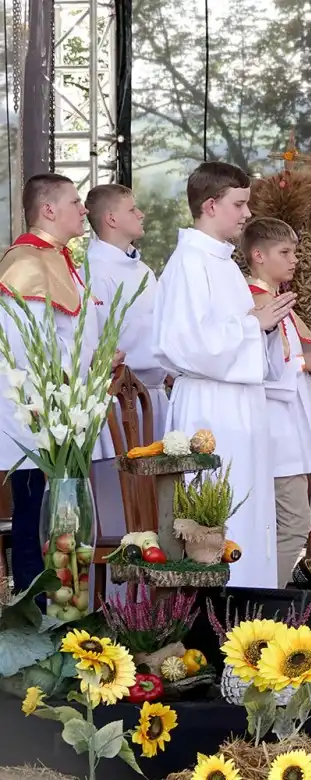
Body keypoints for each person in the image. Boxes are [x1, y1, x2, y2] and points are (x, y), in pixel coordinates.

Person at [152, 162, 296, 589]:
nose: (247, 213)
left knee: (248, 512)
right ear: (211, 205)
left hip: (238, 404)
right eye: (239, 204)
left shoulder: (223, 264)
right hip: (210, 408)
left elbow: (242, 332)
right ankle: (220, 627)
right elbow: (185, 344)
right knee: (219, 512)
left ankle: (250, 617)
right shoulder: (188, 264)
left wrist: (264, 326)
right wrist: (256, 324)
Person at [0, 174, 121, 592]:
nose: (83, 209)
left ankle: (62, 606)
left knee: (59, 515)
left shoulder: (56, 257)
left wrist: (100, 357)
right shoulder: (26, 262)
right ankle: (35, 610)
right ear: (48, 210)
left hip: (67, 408)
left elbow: (69, 333)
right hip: (40, 412)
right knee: (35, 511)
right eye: (74, 201)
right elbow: (26, 347)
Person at [242, 217, 311, 586]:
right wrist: (305, 362)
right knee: (292, 525)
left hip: (287, 429)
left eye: (295, 252)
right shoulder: (256, 303)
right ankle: (268, 604)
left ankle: (266, 601)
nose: (294, 260)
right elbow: (255, 369)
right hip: (274, 431)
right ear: (257, 255)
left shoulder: (275, 301)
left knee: (284, 524)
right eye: (284, 252)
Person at [84, 184, 169, 570]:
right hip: (117, 399)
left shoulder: (143, 268)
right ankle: (118, 602)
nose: (142, 215)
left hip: (154, 395)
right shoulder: (92, 270)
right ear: (111, 219)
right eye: (133, 210)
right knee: (120, 507)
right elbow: (95, 337)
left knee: (155, 504)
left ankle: (152, 601)